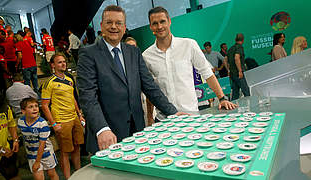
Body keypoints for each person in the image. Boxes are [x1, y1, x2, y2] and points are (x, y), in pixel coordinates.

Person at [77, 5, 183, 153]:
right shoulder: (88, 54)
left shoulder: (133, 52)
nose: (114, 27)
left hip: (137, 134)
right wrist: (102, 129)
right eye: (109, 22)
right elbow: (88, 96)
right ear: (101, 25)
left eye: (119, 23)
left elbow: (150, 87)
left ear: (124, 27)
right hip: (107, 137)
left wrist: (173, 112)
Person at [142, 6, 236, 120]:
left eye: (162, 21)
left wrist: (222, 98)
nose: (159, 26)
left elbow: (207, 73)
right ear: (151, 26)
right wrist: (150, 118)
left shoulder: (189, 45)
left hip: (191, 116)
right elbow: (149, 90)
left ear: (169, 21)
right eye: (155, 23)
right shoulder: (146, 56)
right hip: (164, 120)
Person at [41, 53, 84, 179]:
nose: (63, 64)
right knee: (65, 152)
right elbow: (44, 105)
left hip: (74, 118)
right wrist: (53, 124)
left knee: (77, 147)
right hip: (61, 121)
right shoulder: (49, 83)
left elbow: (73, 98)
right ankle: (68, 177)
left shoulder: (70, 80)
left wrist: (79, 115)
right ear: (53, 65)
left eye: (64, 61)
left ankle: (79, 174)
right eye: (59, 62)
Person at [18, 98, 59, 180]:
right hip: (32, 154)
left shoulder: (42, 124)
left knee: (51, 174)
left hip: (46, 153)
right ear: (23, 111)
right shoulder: (20, 122)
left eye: (36, 106)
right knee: (38, 177)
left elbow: (42, 144)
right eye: (30, 107)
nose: (35, 108)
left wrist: (37, 162)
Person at [0, 89, 20, 180]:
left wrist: (15, 139)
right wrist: (0, 150)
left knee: (13, 175)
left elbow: (11, 123)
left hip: (4, 152)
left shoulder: (6, 109)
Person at [226, 33, 250, 100]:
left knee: (235, 93)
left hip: (232, 73)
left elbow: (225, 60)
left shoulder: (231, 48)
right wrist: (240, 71)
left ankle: (233, 109)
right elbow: (237, 58)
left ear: (235, 39)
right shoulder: (239, 47)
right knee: (246, 92)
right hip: (238, 73)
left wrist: (228, 69)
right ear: (243, 40)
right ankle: (249, 107)